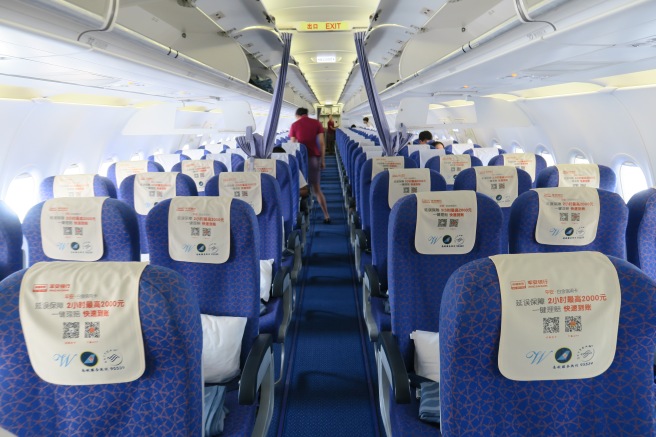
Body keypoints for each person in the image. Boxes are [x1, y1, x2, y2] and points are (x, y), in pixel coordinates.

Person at [289, 107, 330, 223]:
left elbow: (293, 145)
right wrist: (322, 160)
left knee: (298, 187)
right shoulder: (316, 123)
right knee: (317, 189)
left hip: (299, 160)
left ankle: (297, 216)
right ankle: (326, 215)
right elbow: (322, 143)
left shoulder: (294, 125)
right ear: (307, 114)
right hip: (313, 159)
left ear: (297, 115)